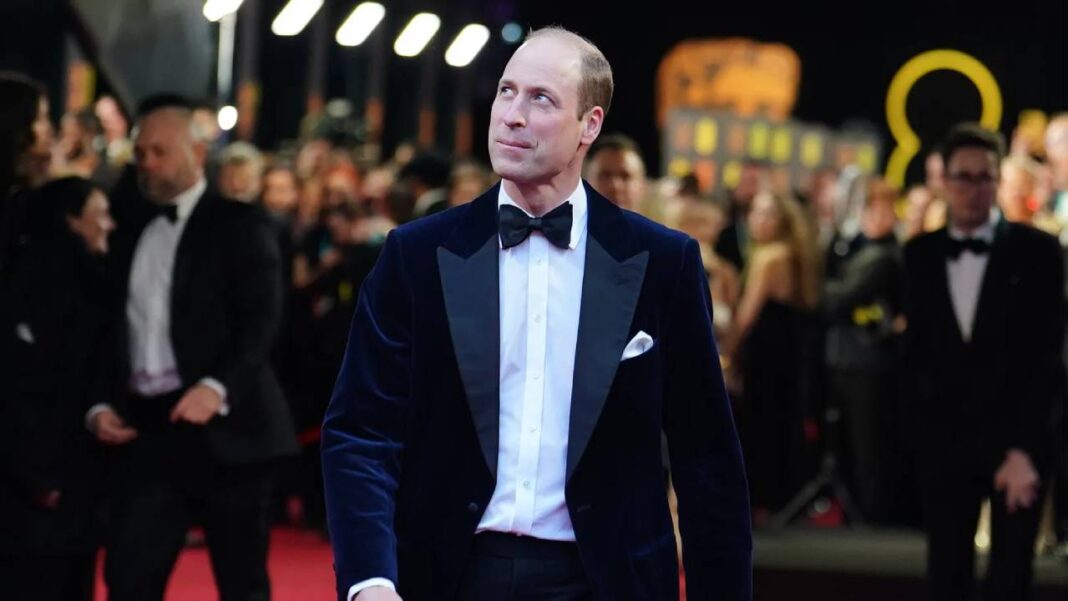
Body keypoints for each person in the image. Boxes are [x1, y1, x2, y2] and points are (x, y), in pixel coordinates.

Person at [322, 27, 751, 601]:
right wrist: (370, 579)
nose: (512, 116)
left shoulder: (662, 263)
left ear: (589, 125)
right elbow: (361, 431)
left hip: (607, 580)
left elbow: (707, 459)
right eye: (506, 92)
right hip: (446, 575)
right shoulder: (418, 254)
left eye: (541, 99)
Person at [87, 94, 298, 601]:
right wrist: (99, 402)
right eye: (140, 153)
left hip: (231, 429)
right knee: (130, 577)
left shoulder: (240, 223)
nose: (147, 165)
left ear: (197, 154)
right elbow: (99, 325)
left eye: (159, 152)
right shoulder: (122, 223)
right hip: (149, 429)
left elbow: (262, 319)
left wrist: (215, 386)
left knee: (242, 585)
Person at [903, 123, 1065, 601]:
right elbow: (918, 358)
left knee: (1010, 580)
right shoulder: (919, 255)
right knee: (945, 575)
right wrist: (922, 443)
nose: (974, 189)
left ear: (998, 180)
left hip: (1019, 445)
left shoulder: (1040, 252)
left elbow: (1046, 356)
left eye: (984, 177)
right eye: (964, 177)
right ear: (944, 181)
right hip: (945, 447)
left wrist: (1024, 449)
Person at [0, 177, 115, 600]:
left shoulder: (78, 276)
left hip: (59, 478)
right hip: (43, 480)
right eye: (100, 214)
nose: (111, 224)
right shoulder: (48, 283)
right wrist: (39, 474)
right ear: (72, 220)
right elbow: (24, 384)